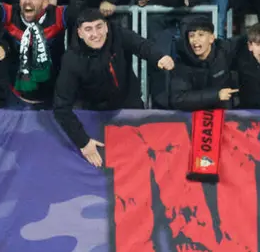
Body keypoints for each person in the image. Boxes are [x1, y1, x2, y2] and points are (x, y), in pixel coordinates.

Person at [54, 9, 175, 167]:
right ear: (80, 33)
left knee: (140, 158)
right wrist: (83, 142)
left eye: (99, 27)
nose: (96, 34)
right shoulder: (72, 60)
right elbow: (61, 106)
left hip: (130, 103)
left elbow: (141, 45)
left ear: (106, 27)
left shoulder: (117, 34)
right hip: (96, 111)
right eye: (88, 29)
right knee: (106, 164)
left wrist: (160, 56)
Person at [157, 14, 237, 110]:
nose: (195, 40)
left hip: (225, 115)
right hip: (192, 116)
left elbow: (249, 40)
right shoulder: (182, 61)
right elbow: (178, 99)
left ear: (211, 38)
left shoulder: (224, 50)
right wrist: (216, 95)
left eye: (201, 35)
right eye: (192, 36)